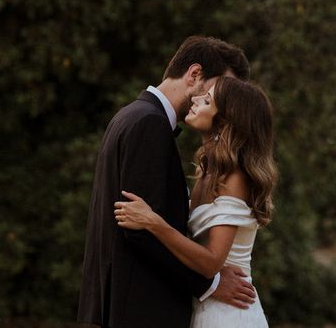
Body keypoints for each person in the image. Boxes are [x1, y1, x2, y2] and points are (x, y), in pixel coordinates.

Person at [77, 36, 256, 328]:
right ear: (195, 74)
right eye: (216, 91)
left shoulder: (132, 116)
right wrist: (208, 285)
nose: (217, 103)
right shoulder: (149, 123)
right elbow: (138, 232)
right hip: (142, 307)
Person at [114, 76, 277, 328]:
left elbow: (212, 262)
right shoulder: (206, 171)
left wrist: (154, 223)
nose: (196, 99)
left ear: (225, 120)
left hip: (229, 313)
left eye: (207, 100)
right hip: (204, 306)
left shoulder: (234, 178)